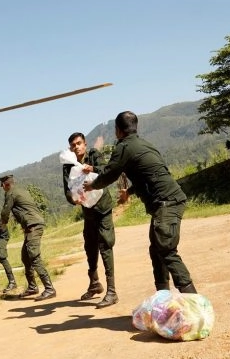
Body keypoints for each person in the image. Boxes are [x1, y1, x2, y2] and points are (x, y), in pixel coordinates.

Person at [84, 111, 197, 294]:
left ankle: (194, 304)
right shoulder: (145, 145)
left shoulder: (124, 147)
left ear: (118, 130)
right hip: (170, 200)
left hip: (165, 203)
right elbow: (149, 175)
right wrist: (129, 191)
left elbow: (109, 174)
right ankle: (163, 299)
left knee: (166, 250)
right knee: (156, 250)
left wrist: (92, 185)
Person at [63, 132, 118, 308]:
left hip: (102, 207)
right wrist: (74, 199)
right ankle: (94, 284)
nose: (76, 147)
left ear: (85, 144)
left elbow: (106, 172)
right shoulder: (68, 165)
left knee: (105, 244)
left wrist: (92, 169)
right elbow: (67, 190)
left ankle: (112, 291)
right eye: (73, 145)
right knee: (90, 246)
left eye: (79, 143)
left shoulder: (94, 155)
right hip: (88, 210)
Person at [0, 175, 56, 301]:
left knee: (34, 257)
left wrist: (2, 225)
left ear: (6, 185)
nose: (2, 188)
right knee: (25, 257)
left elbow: (5, 212)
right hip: (32, 225)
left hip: (33, 226)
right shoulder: (21, 191)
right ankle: (32, 287)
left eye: (2, 185)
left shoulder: (11, 193)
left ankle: (49, 288)